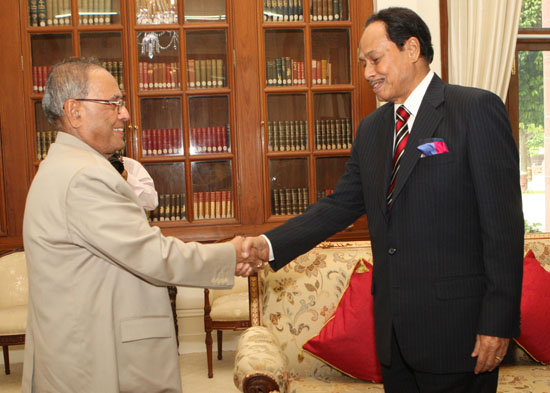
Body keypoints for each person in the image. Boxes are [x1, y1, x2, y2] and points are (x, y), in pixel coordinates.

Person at [242, 7, 524, 393]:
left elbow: (503, 229)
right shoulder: (372, 129)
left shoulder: (473, 109)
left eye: (375, 59)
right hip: (393, 336)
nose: (367, 73)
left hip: (459, 333)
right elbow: (339, 205)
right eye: (362, 64)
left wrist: (497, 323)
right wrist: (268, 244)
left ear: (411, 49)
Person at [22, 57, 261, 393]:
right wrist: (229, 255)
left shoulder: (65, 164)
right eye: (113, 103)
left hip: (84, 349)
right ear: (75, 111)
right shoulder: (83, 176)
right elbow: (151, 255)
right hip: (94, 362)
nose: (125, 114)